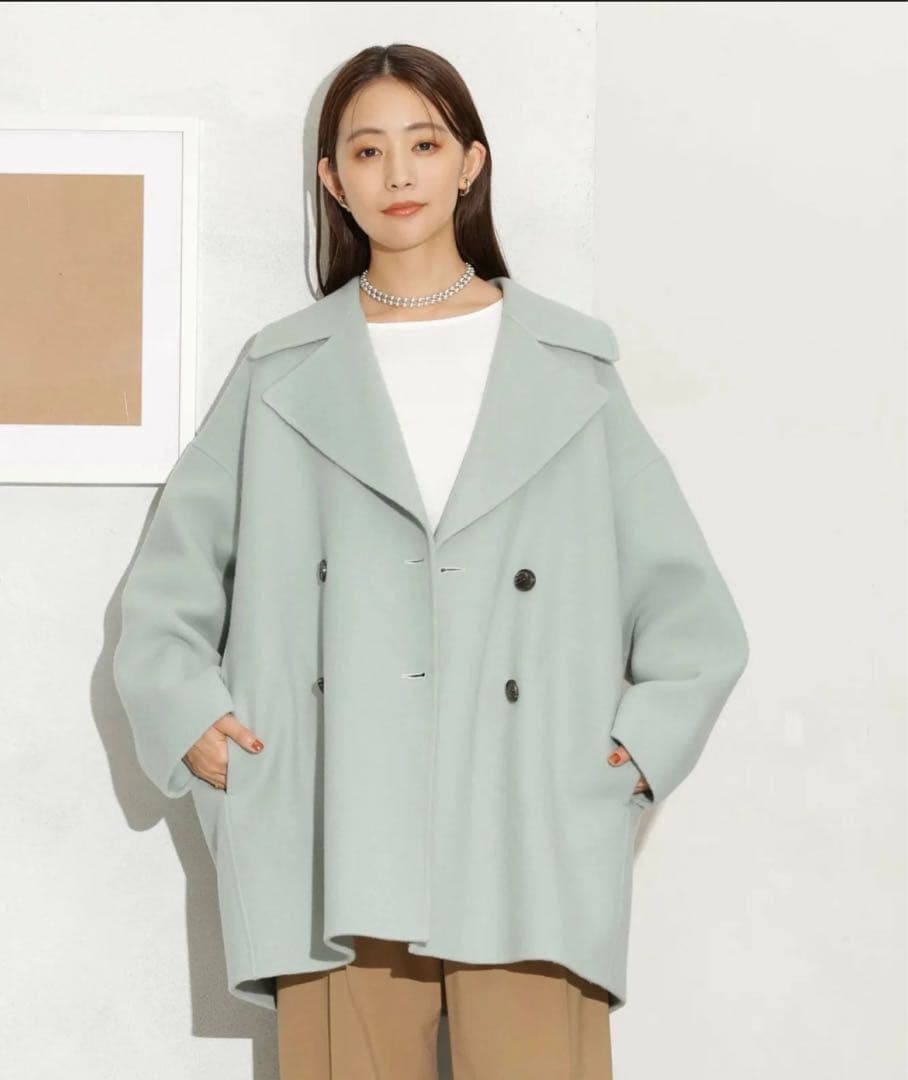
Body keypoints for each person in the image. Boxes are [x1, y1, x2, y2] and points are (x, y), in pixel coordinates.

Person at [113, 43, 749, 1080]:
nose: (398, 173)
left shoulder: (569, 367)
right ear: (333, 180)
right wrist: (192, 723)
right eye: (367, 151)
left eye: (424, 143)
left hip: (528, 825)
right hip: (332, 827)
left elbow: (694, 621)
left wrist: (627, 757)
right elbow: (166, 593)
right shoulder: (282, 370)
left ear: (470, 163)